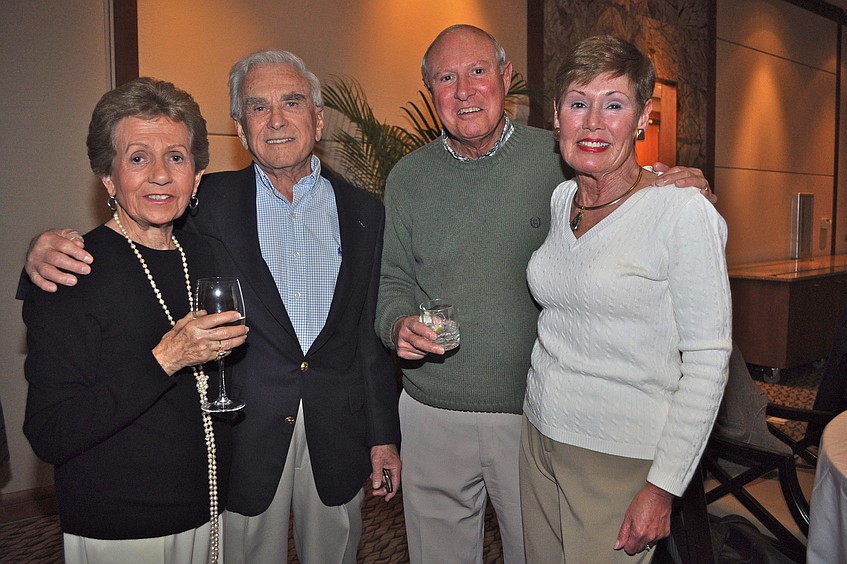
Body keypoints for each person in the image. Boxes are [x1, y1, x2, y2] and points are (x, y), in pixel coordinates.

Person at [22, 50, 401, 564]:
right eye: (257, 107)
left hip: (336, 432)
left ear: (317, 118)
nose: (276, 120)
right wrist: (42, 248)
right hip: (238, 441)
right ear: (241, 131)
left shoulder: (365, 212)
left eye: (291, 102)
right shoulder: (206, 203)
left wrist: (383, 437)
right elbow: (126, 241)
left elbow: (366, 336)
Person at [375, 24, 714, 564]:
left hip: (528, 415)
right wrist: (396, 325)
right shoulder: (408, 179)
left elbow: (620, 185)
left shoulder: (558, 159)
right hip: (434, 411)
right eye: (446, 77)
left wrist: (666, 181)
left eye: (478, 71)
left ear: (507, 78)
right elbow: (391, 280)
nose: (464, 90)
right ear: (431, 92)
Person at [520, 35, 731, 562]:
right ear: (556, 116)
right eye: (578, 103)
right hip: (539, 438)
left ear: (641, 118)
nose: (593, 122)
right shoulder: (562, 197)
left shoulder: (682, 212)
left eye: (613, 104)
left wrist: (664, 487)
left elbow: (708, 360)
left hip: (618, 456)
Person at [23, 77, 248, 563]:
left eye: (177, 157)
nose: (161, 176)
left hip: (208, 507)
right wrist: (165, 359)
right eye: (138, 157)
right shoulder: (70, 270)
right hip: (122, 522)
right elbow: (49, 432)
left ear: (198, 174)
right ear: (108, 177)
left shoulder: (206, 255)